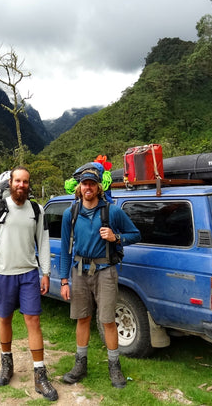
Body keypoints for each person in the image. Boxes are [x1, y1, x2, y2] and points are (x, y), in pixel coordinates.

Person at [0, 166, 58, 401]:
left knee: (33, 320)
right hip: (2, 274)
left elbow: (43, 242)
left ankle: (40, 374)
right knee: (5, 318)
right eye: (17, 181)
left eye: (25, 181)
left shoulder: (37, 209)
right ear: (10, 183)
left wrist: (46, 272)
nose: (21, 185)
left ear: (28, 184)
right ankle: (6, 364)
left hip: (29, 274)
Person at [59, 165, 141, 388]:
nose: (88, 187)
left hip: (105, 271)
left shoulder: (111, 211)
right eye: (85, 183)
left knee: (107, 320)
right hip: (79, 272)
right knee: (82, 318)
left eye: (92, 184)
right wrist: (64, 280)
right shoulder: (71, 213)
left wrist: (116, 237)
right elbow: (67, 248)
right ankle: (80, 364)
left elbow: (136, 234)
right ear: (80, 187)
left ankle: (115, 368)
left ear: (98, 187)